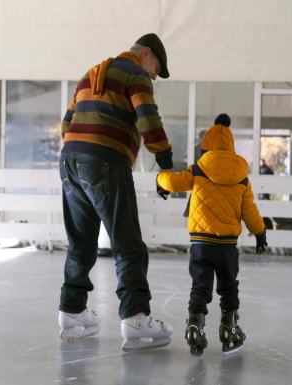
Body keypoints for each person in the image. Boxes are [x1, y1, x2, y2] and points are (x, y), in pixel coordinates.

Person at [58, 33, 174, 352]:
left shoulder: (90, 73)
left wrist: (80, 152)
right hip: (106, 162)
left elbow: (66, 123)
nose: (153, 76)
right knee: (127, 242)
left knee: (80, 242)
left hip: (69, 161)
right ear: (146, 54)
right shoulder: (134, 73)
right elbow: (148, 118)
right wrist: (164, 157)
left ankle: (72, 313)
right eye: (156, 68)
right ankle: (136, 320)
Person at [156, 113, 268, 356]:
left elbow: (173, 182)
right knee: (229, 287)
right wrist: (260, 233)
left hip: (201, 243)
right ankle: (229, 329)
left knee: (200, 286)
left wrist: (160, 179)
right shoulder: (242, 177)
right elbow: (249, 211)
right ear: (231, 146)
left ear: (206, 145)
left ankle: (195, 324)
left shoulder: (199, 169)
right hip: (227, 245)